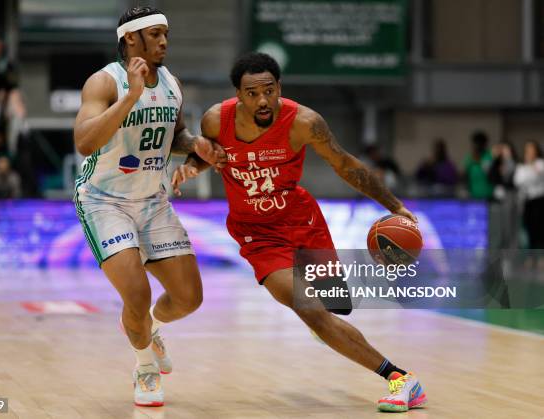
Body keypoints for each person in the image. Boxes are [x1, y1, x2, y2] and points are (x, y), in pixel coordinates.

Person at [172, 52, 427, 413]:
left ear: (279, 88)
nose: (262, 100)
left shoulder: (303, 122)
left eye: (269, 90)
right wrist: (191, 166)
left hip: (301, 220)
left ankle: (322, 322)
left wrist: (394, 206)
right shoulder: (217, 119)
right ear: (237, 95)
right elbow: (206, 152)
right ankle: (401, 379)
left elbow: (345, 165)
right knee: (308, 307)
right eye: (252, 93)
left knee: (337, 306)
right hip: (256, 233)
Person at [72, 6, 226, 407]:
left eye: (166, 35)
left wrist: (196, 146)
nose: (164, 42)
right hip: (104, 200)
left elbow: (173, 135)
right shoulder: (105, 81)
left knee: (189, 298)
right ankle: (144, 367)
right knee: (136, 295)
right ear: (130, 40)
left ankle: (149, 328)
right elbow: (85, 142)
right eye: (156, 34)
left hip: (152, 200)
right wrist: (131, 98)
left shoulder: (171, 81)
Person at [514, 141, 544, 250]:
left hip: (540, 200)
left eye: (532, 149)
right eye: (528, 150)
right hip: (527, 200)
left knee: (540, 227)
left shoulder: (541, 163)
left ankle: (541, 256)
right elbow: (518, 181)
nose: (530, 152)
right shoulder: (522, 166)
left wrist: (531, 167)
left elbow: (537, 177)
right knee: (528, 227)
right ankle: (530, 256)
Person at [463, 131, 493, 199]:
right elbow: (465, 175)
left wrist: (479, 161)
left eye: (479, 143)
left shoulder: (489, 156)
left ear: (484, 144)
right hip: (473, 195)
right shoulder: (469, 157)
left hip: (487, 194)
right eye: (475, 143)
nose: (476, 146)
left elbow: (489, 174)